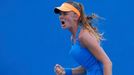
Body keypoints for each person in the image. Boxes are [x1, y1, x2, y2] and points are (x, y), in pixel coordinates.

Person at [53, 1, 112, 75]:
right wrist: (66, 72)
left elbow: (107, 62)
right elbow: (88, 66)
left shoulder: (84, 36)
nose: (61, 16)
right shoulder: (73, 38)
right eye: (60, 14)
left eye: (65, 13)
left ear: (76, 16)